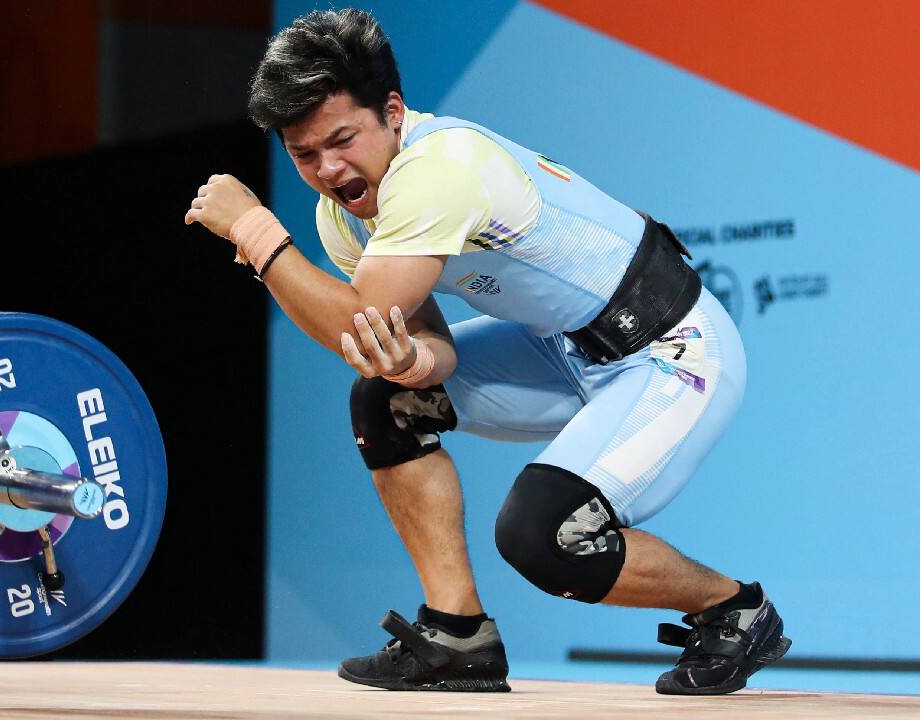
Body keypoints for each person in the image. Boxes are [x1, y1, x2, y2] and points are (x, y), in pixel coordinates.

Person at [185, 8, 790, 696]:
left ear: (392, 112)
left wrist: (256, 232)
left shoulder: (438, 169)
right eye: (303, 155)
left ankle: (733, 608)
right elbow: (423, 345)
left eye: (342, 139)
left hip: (670, 350)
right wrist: (414, 364)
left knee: (545, 537)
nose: (329, 169)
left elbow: (359, 320)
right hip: (562, 349)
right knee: (388, 399)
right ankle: (457, 634)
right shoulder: (344, 219)